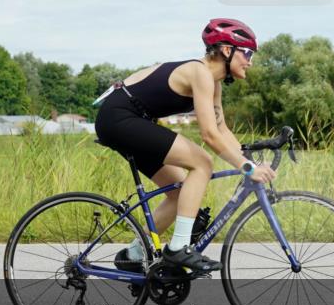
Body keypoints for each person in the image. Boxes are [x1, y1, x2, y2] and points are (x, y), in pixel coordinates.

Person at [94, 18, 277, 273]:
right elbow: (209, 135)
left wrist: (251, 164)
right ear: (227, 50)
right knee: (202, 163)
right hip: (119, 117)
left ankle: (134, 254)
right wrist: (247, 168)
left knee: (178, 192)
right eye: (247, 53)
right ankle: (178, 248)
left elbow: (222, 129)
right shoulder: (199, 72)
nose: (250, 61)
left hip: (129, 120)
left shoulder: (212, 83)